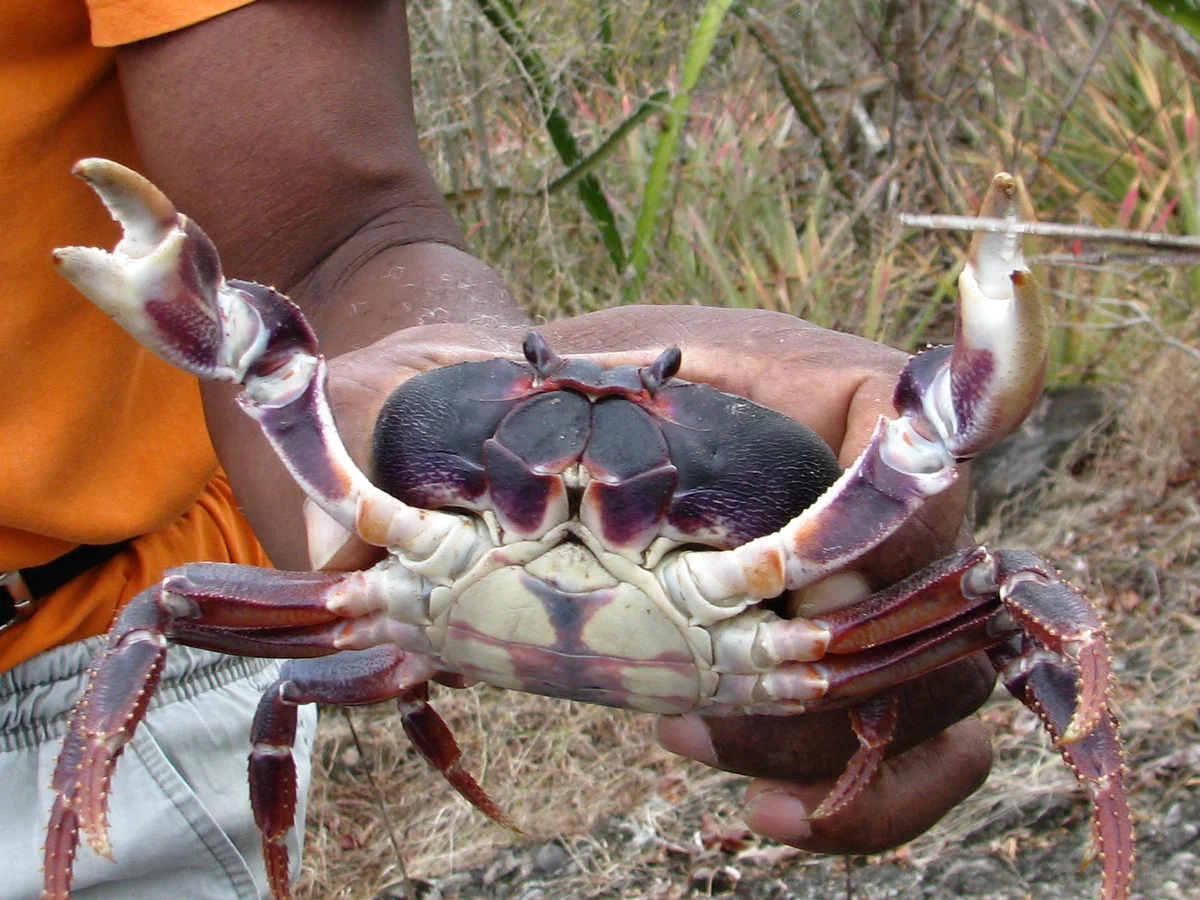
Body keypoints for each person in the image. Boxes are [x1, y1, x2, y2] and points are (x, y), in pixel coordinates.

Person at [1, 2, 994, 898]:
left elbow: (324, 245)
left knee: (1010, 593)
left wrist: (434, 357)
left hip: (59, 645)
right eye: (537, 387)